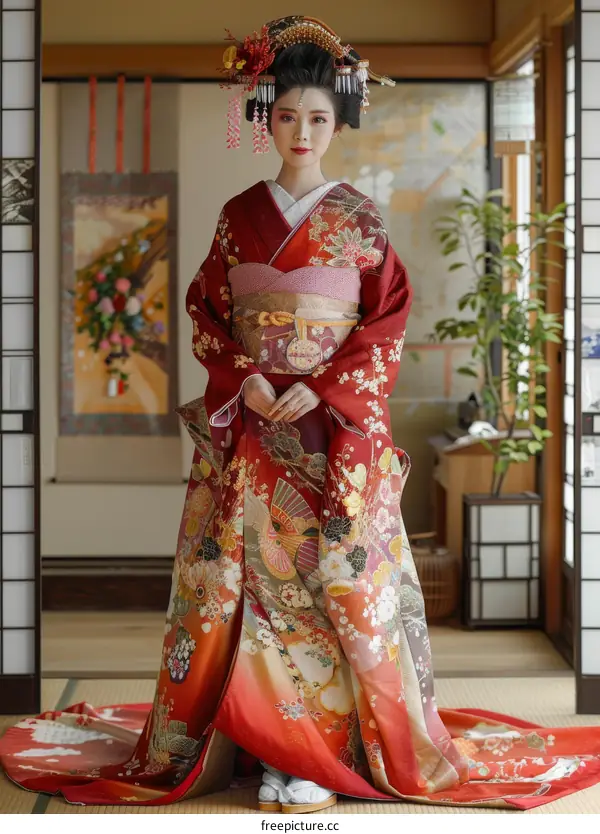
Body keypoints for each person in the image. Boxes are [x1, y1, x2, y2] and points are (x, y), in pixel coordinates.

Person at [1, 15, 600, 813]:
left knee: (334, 586)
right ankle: (261, 743)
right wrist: (245, 378)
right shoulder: (236, 215)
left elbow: (386, 320)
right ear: (267, 119)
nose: (303, 133)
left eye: (319, 118)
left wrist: (323, 386)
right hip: (253, 424)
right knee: (246, 582)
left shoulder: (360, 219)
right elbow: (208, 312)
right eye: (288, 117)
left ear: (338, 122)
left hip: (331, 428)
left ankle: (320, 753)